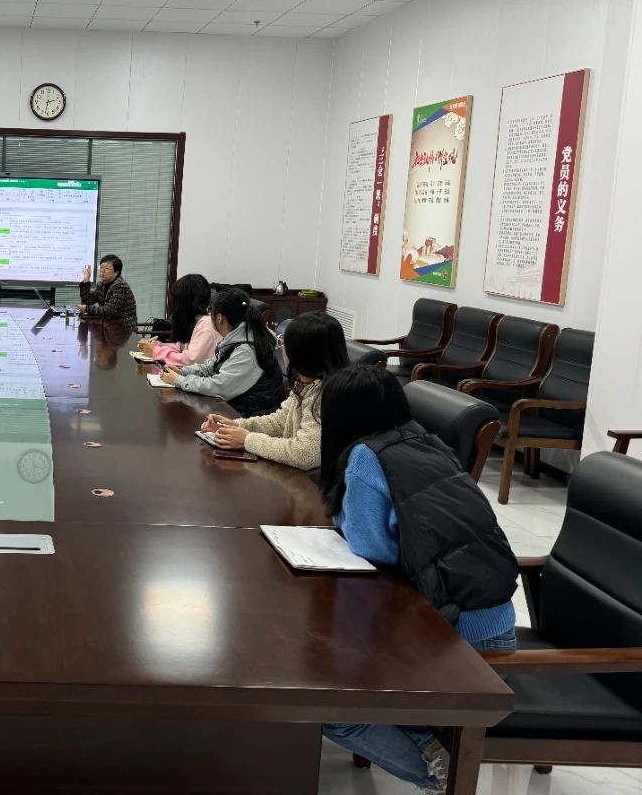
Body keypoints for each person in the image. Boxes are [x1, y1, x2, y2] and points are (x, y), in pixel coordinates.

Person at [317, 364, 519, 793]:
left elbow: (372, 547)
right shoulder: (427, 440)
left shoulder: (365, 457)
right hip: (494, 624)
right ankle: (434, 748)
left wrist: (341, 516)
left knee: (332, 706)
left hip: (459, 642)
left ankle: (440, 770)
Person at [200, 311, 348, 469]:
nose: (282, 348)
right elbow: (280, 422)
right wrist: (236, 426)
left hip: (312, 481)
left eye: (284, 343)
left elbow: (304, 454)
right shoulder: (304, 383)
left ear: (302, 353)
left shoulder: (327, 395)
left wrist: (247, 439)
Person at [161, 287, 282, 416]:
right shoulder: (237, 338)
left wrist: (179, 381)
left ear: (219, 318)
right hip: (234, 407)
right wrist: (183, 371)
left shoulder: (246, 350)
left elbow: (219, 387)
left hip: (247, 416)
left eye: (210, 311)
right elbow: (211, 366)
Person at [139, 273, 217, 367]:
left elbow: (189, 360)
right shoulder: (196, 320)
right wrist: (157, 345)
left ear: (185, 302)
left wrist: (155, 351)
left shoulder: (206, 324)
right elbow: (180, 347)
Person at [79, 254, 138, 326]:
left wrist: (87, 309)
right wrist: (86, 281)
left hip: (123, 328)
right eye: (101, 267)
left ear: (116, 272)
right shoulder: (101, 285)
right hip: (107, 326)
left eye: (106, 268)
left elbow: (110, 311)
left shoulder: (121, 286)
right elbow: (87, 302)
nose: (102, 271)